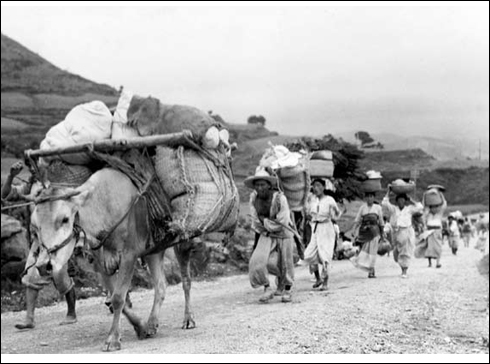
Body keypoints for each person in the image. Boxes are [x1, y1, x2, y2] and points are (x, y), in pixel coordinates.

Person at [2, 161, 78, 330]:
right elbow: (5, 194)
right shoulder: (31, 186)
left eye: (38, 166)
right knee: (31, 275)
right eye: (32, 167)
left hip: (58, 240)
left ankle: (71, 312)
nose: (35, 170)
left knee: (60, 275)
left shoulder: (60, 185)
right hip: (39, 241)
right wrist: (11, 176)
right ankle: (29, 318)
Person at [246, 168, 295, 303]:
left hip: (283, 233)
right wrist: (263, 226)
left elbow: (283, 221)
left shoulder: (280, 198)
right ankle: (267, 288)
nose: (260, 188)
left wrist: (265, 221)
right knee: (257, 261)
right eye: (257, 185)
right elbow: (255, 219)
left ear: (269, 185)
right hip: (265, 233)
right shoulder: (254, 198)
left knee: (285, 262)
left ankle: (287, 289)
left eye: (262, 185)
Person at [303, 178, 342, 290]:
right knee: (310, 254)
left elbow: (336, 215)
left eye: (319, 186)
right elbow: (307, 212)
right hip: (314, 228)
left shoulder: (329, 200)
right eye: (314, 186)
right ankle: (318, 278)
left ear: (323, 187)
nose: (316, 188)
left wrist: (336, 212)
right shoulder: (312, 200)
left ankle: (325, 282)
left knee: (325, 255)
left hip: (326, 229)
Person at [382, 190, 423, 279]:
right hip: (396, 233)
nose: (401, 202)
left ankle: (404, 271)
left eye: (403, 200)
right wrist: (388, 192)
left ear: (405, 201)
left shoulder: (409, 209)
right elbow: (384, 203)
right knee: (396, 253)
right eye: (399, 200)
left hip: (407, 233)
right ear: (397, 201)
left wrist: (411, 199)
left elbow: (420, 207)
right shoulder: (393, 209)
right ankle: (402, 267)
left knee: (405, 252)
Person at [350, 191, 384, 278]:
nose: (369, 199)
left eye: (371, 197)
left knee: (372, 252)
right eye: (368, 197)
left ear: (374, 198)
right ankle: (366, 267)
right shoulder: (362, 208)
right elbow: (357, 220)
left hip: (374, 232)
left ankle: (371, 270)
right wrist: (354, 230)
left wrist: (382, 233)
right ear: (365, 198)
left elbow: (381, 221)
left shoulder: (377, 208)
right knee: (365, 251)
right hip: (364, 232)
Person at [419, 193, 447, 269]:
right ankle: (430, 263)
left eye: (436, 207)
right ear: (430, 208)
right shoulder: (428, 213)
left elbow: (444, 204)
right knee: (429, 247)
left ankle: (438, 262)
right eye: (432, 207)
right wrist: (424, 197)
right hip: (429, 231)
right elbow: (423, 206)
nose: (434, 208)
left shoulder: (439, 213)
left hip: (437, 230)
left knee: (438, 247)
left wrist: (441, 195)